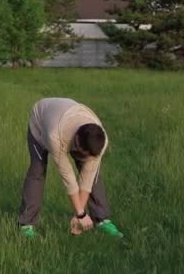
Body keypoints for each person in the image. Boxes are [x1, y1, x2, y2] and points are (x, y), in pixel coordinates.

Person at [18, 97, 123, 238]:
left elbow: (88, 178)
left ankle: (101, 220)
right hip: (41, 122)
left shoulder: (100, 141)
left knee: (94, 175)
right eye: (84, 155)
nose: (86, 160)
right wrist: (81, 213)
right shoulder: (54, 134)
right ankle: (26, 224)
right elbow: (68, 178)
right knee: (38, 170)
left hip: (69, 116)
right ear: (77, 143)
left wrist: (78, 216)